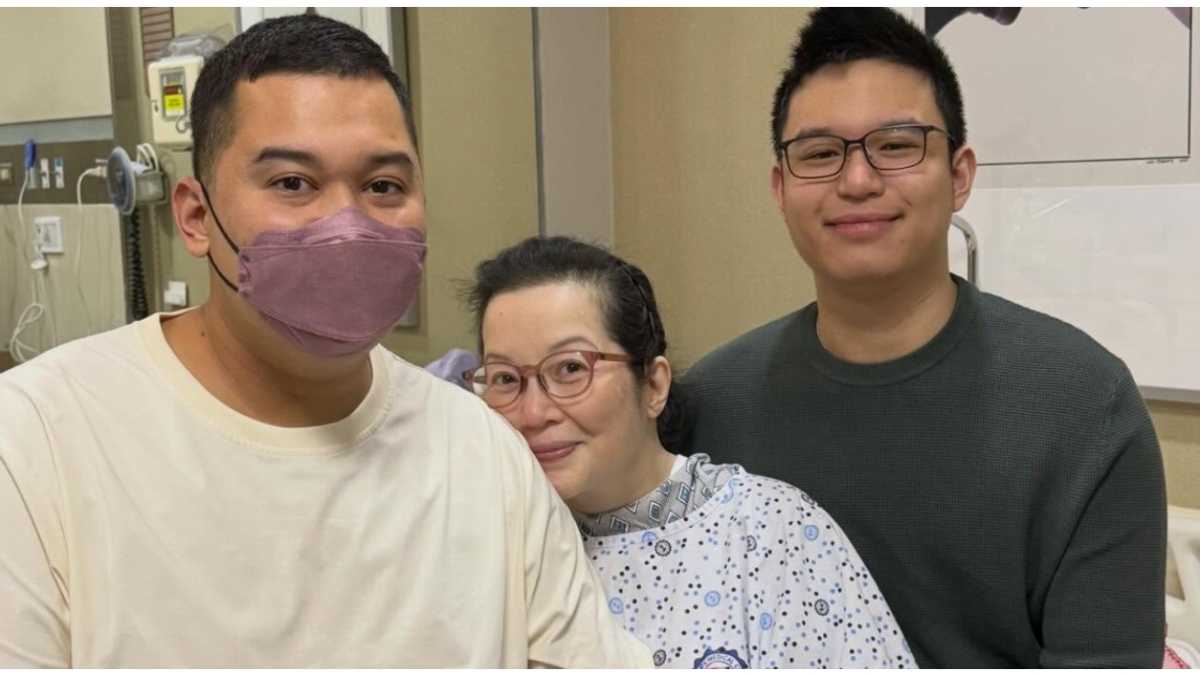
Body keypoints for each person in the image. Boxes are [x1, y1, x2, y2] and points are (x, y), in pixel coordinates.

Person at [0, 15, 649, 667]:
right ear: (196, 216)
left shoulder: (483, 453)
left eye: (383, 186)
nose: (347, 224)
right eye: (293, 183)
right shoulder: (39, 443)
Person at [681, 7, 1166, 668]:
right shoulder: (709, 404)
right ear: (781, 188)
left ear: (959, 175)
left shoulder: (1084, 408)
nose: (857, 181)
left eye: (897, 145)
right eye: (819, 154)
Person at [464, 235, 916, 668]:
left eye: (570, 368)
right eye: (505, 378)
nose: (534, 412)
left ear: (654, 385)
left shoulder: (771, 531)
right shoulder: (487, 548)